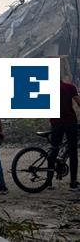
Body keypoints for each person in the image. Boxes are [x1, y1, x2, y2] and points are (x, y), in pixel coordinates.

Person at [47, 57, 79, 191]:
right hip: (70, 122)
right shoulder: (70, 87)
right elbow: (78, 102)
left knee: (54, 150)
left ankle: (49, 182)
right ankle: (73, 183)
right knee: (73, 152)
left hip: (56, 123)